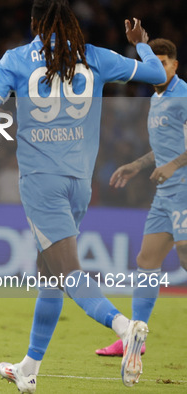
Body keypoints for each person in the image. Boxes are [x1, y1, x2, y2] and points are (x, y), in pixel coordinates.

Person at [0, 0, 166, 391]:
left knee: (66, 271)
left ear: (33, 23)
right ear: (72, 25)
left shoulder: (14, 59)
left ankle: (125, 328)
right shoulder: (95, 56)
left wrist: (11, 121)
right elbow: (157, 72)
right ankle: (29, 369)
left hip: (40, 180)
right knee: (51, 278)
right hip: (80, 183)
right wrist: (141, 44)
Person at [95, 38, 187, 357]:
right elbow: (165, 148)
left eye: (163, 63)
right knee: (147, 261)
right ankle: (135, 337)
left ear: (174, 65)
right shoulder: (157, 99)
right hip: (167, 192)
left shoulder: (183, 95)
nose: (158, 69)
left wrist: (174, 165)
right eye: (154, 63)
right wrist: (136, 165)